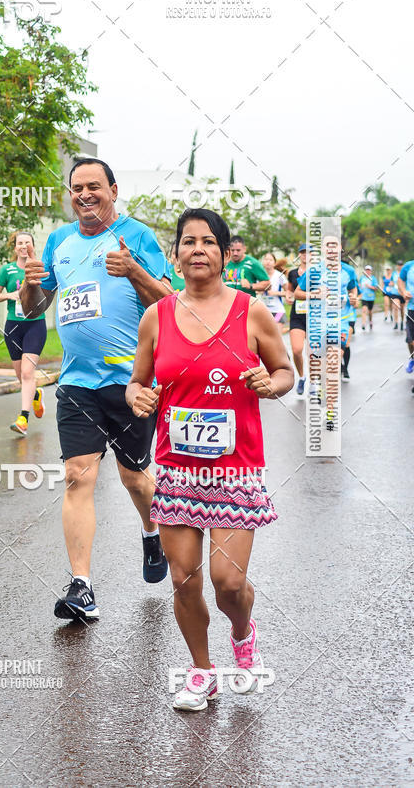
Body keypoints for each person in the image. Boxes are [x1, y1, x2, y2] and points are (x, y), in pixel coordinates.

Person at [126, 208, 293, 712]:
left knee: (228, 582)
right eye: (188, 241)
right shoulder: (157, 317)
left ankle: (242, 631)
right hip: (177, 469)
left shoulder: (251, 311)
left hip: (235, 469)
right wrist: (138, 397)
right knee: (183, 579)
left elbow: (285, 371)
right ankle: (202, 672)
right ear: (176, 255)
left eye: (208, 242)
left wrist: (270, 384)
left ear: (223, 254)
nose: (197, 249)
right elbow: (137, 381)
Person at [20, 158, 172, 621]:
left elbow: (170, 304)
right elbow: (36, 306)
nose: (84, 194)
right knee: (77, 476)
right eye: (76, 188)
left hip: (131, 382)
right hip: (76, 382)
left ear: (113, 190)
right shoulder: (58, 241)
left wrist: (134, 271)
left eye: (94, 186)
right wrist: (29, 286)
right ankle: (82, 586)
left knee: (134, 477)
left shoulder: (137, 235)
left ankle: (151, 532)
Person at [295, 237, 358, 426]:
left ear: (340, 249)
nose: (331, 250)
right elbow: (298, 293)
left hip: (340, 323)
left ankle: (330, 412)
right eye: (327, 246)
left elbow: (353, 291)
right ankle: (319, 386)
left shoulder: (348, 271)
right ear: (323, 250)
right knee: (321, 368)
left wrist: (354, 299)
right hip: (317, 325)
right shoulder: (314, 271)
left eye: (334, 246)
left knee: (333, 366)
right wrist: (314, 294)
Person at [0, 231, 47, 435]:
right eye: (20, 243)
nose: (23, 246)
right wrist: (10, 295)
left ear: (33, 246)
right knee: (21, 376)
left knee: (27, 372)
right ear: (15, 248)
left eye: (27, 242)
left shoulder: (39, 267)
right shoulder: (7, 270)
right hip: (13, 327)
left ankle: (23, 418)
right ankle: (35, 396)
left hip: (35, 325)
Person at [285, 244, 311, 395]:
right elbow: (289, 290)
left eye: (309, 253)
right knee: (296, 350)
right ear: (299, 255)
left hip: (314, 317)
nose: (305, 255)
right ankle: (302, 377)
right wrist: (288, 296)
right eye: (302, 252)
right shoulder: (293, 273)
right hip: (297, 315)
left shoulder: (318, 273)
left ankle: (314, 383)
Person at [260, 252, 288, 334]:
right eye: (266, 259)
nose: (268, 262)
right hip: (263, 311)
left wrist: (275, 293)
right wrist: (259, 290)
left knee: (276, 335)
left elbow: (288, 293)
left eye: (270, 260)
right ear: (263, 262)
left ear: (274, 263)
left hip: (278, 310)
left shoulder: (280, 276)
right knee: (265, 337)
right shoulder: (259, 275)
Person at [397, 261, 414, 375]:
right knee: (410, 340)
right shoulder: (408, 266)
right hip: (412, 308)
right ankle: (412, 358)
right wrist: (403, 292)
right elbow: (400, 280)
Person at [360, 265, 381, 331]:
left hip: (371, 297)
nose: (367, 271)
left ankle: (370, 321)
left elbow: (376, 288)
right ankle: (363, 324)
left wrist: (369, 286)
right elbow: (359, 286)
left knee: (370, 312)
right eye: (366, 270)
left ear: (371, 271)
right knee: (364, 310)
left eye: (369, 270)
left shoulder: (373, 278)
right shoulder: (362, 278)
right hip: (364, 297)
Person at [389, 262, 405, 331]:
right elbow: (392, 281)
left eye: (401, 265)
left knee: (402, 309)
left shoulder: (404, 273)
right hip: (395, 293)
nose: (400, 266)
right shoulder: (394, 274)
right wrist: (391, 284)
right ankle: (396, 322)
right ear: (397, 266)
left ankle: (402, 321)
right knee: (395, 307)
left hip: (402, 294)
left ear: (403, 266)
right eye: (399, 265)